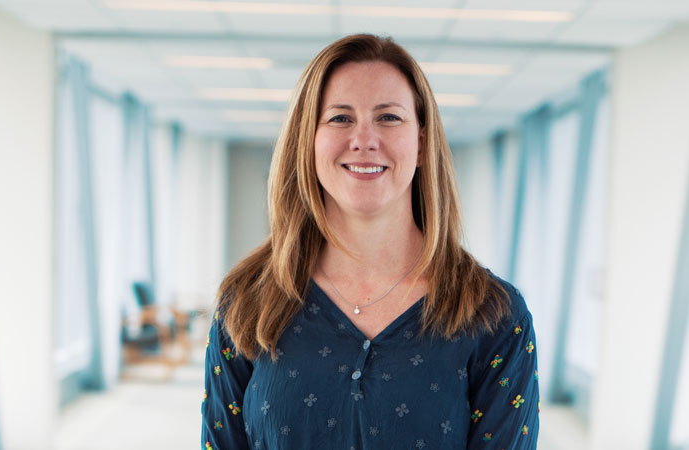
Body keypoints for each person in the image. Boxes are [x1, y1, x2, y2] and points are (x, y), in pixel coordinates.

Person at [201, 33, 539, 450]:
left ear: (420, 142)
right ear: (309, 140)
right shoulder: (247, 300)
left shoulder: (495, 316)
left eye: (389, 118)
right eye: (340, 118)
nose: (364, 139)